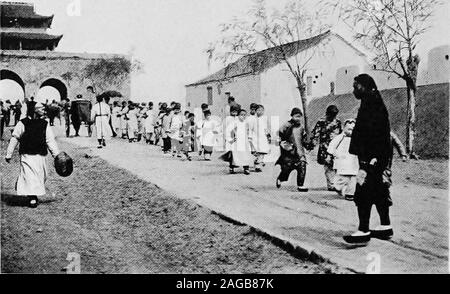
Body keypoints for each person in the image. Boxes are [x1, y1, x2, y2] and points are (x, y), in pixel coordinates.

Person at [343, 74, 393, 244]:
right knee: (379, 189)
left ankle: (363, 230)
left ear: (365, 86)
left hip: (372, 157)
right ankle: (385, 225)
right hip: (377, 156)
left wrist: (370, 159)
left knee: (363, 190)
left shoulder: (371, 104)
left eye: (356, 86)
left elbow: (373, 134)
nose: (353, 90)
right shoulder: (373, 100)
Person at [4, 101, 60, 208]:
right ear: (34, 110)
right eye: (40, 108)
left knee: (40, 176)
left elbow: (50, 140)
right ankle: (32, 197)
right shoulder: (22, 123)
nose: (43, 110)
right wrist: (9, 154)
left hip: (41, 155)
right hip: (27, 154)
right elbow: (15, 138)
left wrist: (56, 154)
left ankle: (32, 193)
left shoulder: (45, 124)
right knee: (29, 175)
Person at [275, 108, 309, 192]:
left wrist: (308, 145)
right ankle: (280, 178)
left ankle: (300, 185)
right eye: (296, 116)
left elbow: (304, 139)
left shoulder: (301, 127)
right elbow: (279, 135)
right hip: (288, 153)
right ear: (292, 116)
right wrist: (283, 144)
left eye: (300, 116)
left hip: (299, 152)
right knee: (286, 169)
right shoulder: (286, 125)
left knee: (302, 165)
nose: (298, 118)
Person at [310, 105, 342, 191]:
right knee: (328, 165)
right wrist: (312, 144)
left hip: (336, 146)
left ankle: (334, 183)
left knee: (336, 165)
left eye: (334, 115)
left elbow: (341, 133)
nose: (333, 117)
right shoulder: (321, 122)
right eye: (332, 115)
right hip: (325, 147)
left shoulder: (338, 122)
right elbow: (316, 134)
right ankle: (331, 184)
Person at [327, 119, 359, 200]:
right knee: (341, 178)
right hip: (343, 161)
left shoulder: (357, 138)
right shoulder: (340, 138)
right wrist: (335, 154)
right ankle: (338, 188)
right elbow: (332, 146)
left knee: (353, 178)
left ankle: (350, 193)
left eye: (353, 129)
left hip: (353, 161)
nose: (351, 131)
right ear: (344, 128)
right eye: (349, 129)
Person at [221, 108, 252, 175]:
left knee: (245, 155)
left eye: (244, 115)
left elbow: (250, 132)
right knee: (235, 156)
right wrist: (230, 139)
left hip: (244, 142)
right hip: (236, 142)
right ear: (238, 115)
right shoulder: (234, 123)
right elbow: (227, 131)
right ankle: (231, 168)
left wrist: (250, 138)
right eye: (241, 114)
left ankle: (246, 168)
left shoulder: (246, 123)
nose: (243, 116)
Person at [251, 104, 271, 172]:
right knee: (256, 151)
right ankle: (257, 163)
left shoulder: (265, 118)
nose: (260, 111)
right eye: (259, 110)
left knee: (262, 151)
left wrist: (268, 135)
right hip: (255, 137)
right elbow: (251, 128)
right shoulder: (253, 118)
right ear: (255, 111)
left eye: (262, 110)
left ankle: (258, 165)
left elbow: (266, 127)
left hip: (263, 137)